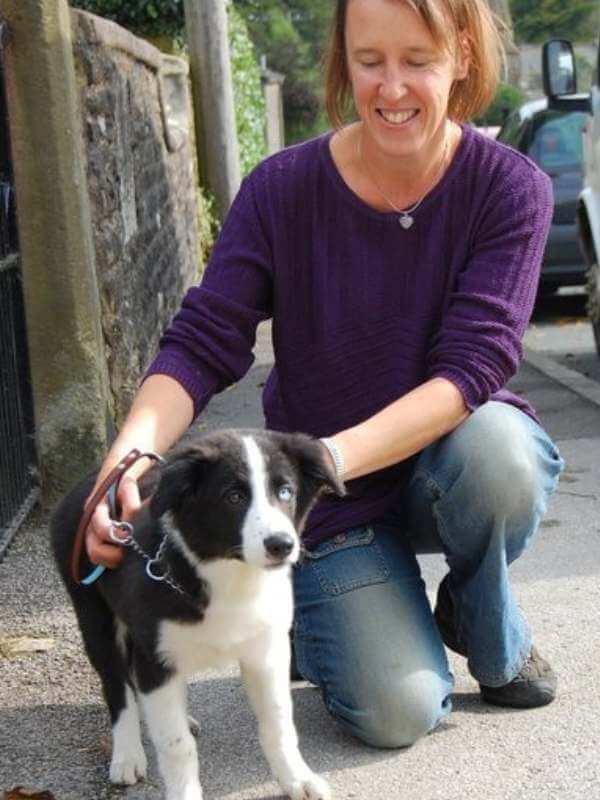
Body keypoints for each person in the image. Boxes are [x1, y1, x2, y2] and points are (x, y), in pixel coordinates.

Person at [85, 0, 564, 749]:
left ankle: (481, 623)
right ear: (343, 58)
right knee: (398, 711)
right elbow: (207, 337)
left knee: (504, 456)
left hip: (444, 463)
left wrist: (325, 459)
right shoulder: (281, 189)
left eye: (417, 60)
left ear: (463, 55)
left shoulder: (511, 188)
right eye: (370, 61)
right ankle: (325, 614)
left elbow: (476, 365)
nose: (392, 88)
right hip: (330, 512)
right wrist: (131, 449)